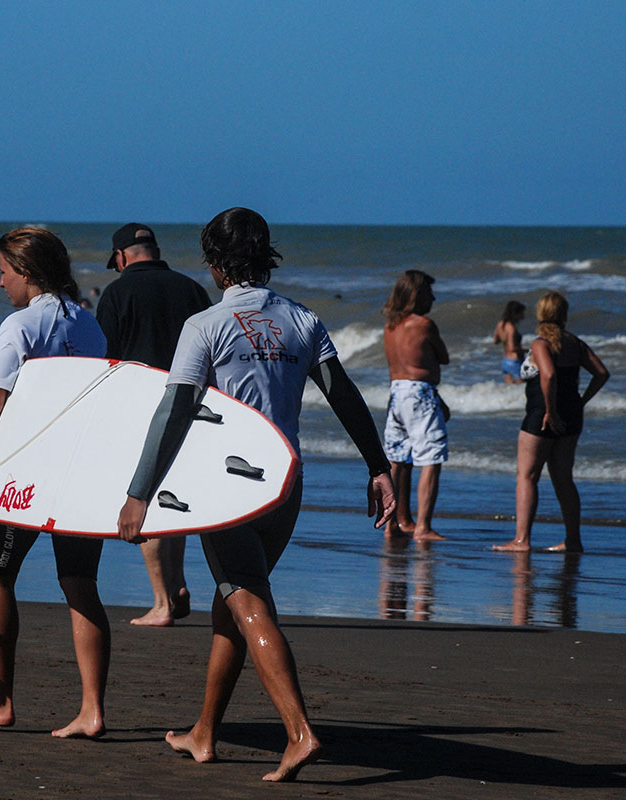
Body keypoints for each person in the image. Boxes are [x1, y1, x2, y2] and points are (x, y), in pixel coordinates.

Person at [116, 208, 396, 782]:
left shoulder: (206, 325)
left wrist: (139, 492)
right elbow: (344, 395)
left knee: (246, 600)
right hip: (286, 483)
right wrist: (379, 467)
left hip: (226, 487)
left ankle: (299, 733)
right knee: (234, 603)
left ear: (215, 265)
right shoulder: (302, 319)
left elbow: (175, 411)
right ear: (265, 257)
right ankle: (204, 732)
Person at [0, 227, 111, 739]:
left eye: (3, 272)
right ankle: (91, 711)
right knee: (80, 583)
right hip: (80, 473)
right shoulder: (90, 324)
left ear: (25, 273)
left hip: (27, 477)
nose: (0, 283)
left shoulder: (19, 325)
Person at [95, 223, 211, 627]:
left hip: (138, 408)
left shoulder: (116, 293)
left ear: (122, 257)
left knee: (143, 495)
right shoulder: (192, 290)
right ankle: (177, 586)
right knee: (173, 495)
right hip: (190, 405)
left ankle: (162, 602)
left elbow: (105, 362)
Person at [493, 291, 608, 553]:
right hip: (572, 416)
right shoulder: (575, 343)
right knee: (564, 479)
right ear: (564, 314)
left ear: (541, 313)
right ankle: (573, 540)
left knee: (527, 476)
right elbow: (601, 373)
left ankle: (522, 540)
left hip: (541, 415)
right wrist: (582, 401)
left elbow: (548, 374)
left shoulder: (540, 343)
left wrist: (550, 410)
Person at [381, 270, 450, 541]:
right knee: (430, 459)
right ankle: (423, 526)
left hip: (396, 393)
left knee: (399, 459)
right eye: (429, 292)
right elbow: (443, 357)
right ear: (417, 294)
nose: (433, 298)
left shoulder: (390, 326)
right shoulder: (424, 324)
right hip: (420, 393)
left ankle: (394, 523)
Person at [493, 300, 526, 384]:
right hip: (514, 361)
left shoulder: (500, 324)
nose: (522, 316)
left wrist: (505, 340)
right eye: (521, 313)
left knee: (509, 388)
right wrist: (527, 350)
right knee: (520, 387)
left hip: (505, 361)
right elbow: (512, 348)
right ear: (516, 313)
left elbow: (495, 341)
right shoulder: (512, 328)